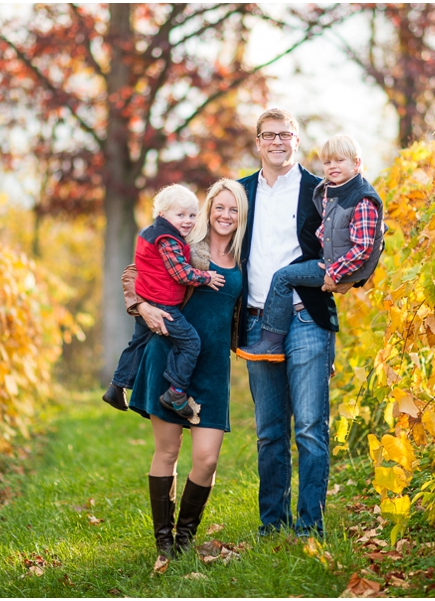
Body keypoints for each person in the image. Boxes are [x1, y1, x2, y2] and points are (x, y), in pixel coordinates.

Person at [236, 108, 364, 538]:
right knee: (270, 432)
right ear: (258, 143)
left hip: (307, 316)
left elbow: (361, 235)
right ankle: (272, 524)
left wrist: (349, 278)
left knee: (310, 428)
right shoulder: (239, 193)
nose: (276, 142)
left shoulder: (321, 189)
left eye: (284, 135)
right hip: (256, 322)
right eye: (268, 135)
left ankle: (311, 527)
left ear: (295, 139)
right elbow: (210, 245)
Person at [122, 179, 248, 559]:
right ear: (208, 210)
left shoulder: (247, 255)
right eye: (219, 207)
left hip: (212, 367)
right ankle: (165, 541)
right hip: (170, 355)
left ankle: (185, 535)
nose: (225, 215)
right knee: (168, 451)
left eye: (233, 209)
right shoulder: (184, 243)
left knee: (207, 458)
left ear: (242, 216)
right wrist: (141, 307)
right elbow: (134, 273)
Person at [236, 134, 384, 362]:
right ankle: (313, 354)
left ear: (356, 163)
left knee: (283, 276)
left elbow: (364, 247)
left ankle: (271, 342)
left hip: (332, 267)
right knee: (287, 274)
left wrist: (334, 273)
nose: (332, 166)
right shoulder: (333, 190)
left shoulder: (361, 199)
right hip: (329, 261)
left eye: (339, 161)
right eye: (327, 162)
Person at [102, 184, 225, 419]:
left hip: (151, 297)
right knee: (190, 343)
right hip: (163, 304)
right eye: (180, 215)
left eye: (192, 215)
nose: (188, 220)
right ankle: (176, 391)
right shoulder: (168, 239)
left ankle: (116, 386)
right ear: (163, 215)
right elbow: (181, 273)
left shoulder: (151, 232)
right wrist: (206, 277)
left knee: (138, 342)